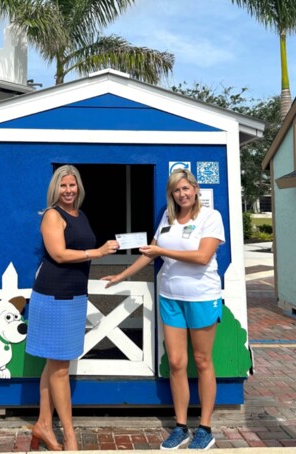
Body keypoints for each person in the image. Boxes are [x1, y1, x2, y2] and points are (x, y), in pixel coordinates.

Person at [102, 168, 225, 451]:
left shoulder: (211, 217)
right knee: (177, 363)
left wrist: (162, 253)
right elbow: (150, 252)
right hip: (170, 297)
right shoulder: (167, 218)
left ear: (195, 189)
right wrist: (122, 275)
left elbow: (202, 256)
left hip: (202, 298)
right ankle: (181, 427)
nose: (182, 194)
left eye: (186, 188)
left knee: (203, 361)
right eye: (176, 190)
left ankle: (205, 428)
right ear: (171, 194)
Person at [26, 165, 119, 451]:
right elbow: (58, 253)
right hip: (55, 296)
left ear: (78, 187)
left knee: (53, 365)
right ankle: (69, 436)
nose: (68, 190)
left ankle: (43, 424)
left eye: (72, 185)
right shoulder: (53, 215)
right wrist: (98, 252)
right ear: (56, 188)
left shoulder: (81, 214)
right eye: (63, 186)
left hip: (74, 295)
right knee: (61, 369)